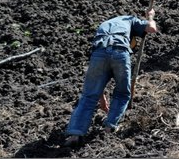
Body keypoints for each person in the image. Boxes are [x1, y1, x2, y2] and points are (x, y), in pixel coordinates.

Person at [63, 8, 158, 147]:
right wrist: (150, 17)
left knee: (89, 96)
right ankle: (109, 127)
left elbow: (96, 82)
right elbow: (152, 29)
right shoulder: (130, 19)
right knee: (122, 93)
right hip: (120, 52)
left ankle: (75, 134)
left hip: (98, 53)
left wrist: (101, 101)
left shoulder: (106, 24)